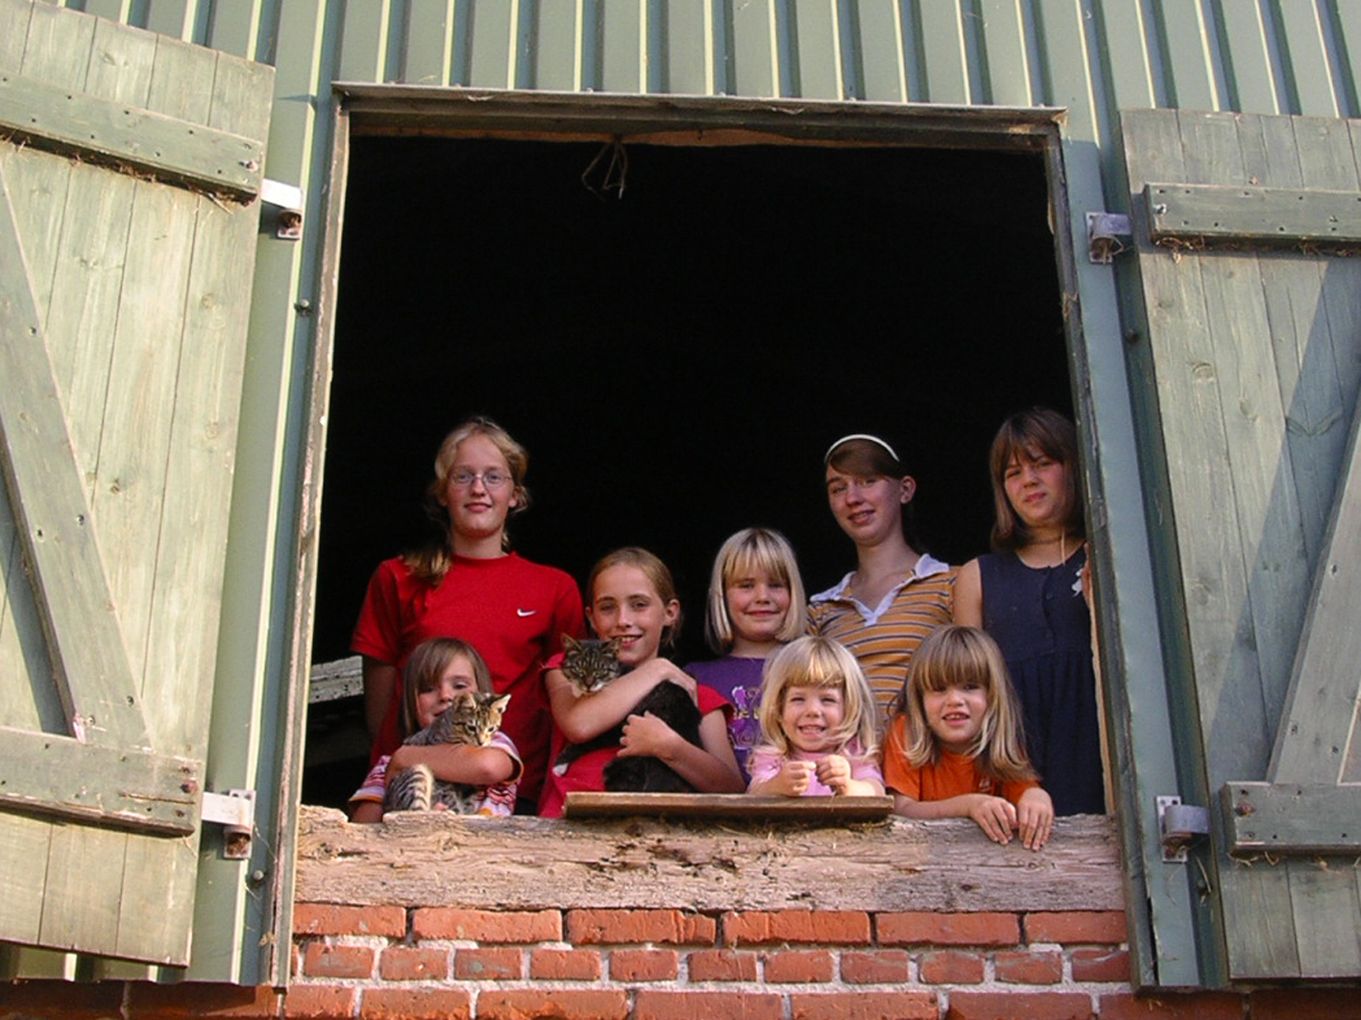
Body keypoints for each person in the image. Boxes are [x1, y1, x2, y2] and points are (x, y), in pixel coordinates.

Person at [351, 417, 584, 813]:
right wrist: (405, 760)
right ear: (443, 492)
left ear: (515, 494)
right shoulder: (398, 577)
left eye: (494, 477)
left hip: (508, 794)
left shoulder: (554, 588)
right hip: (412, 791)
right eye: (463, 477)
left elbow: (571, 702)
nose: (478, 489)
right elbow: (381, 706)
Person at [952, 408, 1104, 816]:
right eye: (1013, 473)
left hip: (1099, 752)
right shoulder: (978, 577)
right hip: (1015, 767)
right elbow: (968, 693)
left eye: (1042, 464)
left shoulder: (1104, 554)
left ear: (1074, 466)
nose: (1029, 481)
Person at [538, 547, 745, 817]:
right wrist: (657, 669)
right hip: (564, 831)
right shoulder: (568, 668)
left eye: (639, 605)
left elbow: (731, 789)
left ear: (670, 612)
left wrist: (670, 747)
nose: (623, 620)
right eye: (607, 607)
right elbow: (579, 724)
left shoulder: (694, 693)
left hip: (658, 840)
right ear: (591, 618)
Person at [808, 433, 956, 732]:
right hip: (847, 773)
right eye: (838, 488)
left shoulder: (952, 583)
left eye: (867, 481)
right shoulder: (820, 608)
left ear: (905, 489)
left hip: (927, 770)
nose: (852, 498)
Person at [884, 624, 1053, 850]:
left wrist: (1037, 797)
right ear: (919, 699)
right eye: (939, 689)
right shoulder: (906, 732)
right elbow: (901, 809)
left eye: (970, 687)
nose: (954, 699)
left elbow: (1023, 788)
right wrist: (969, 805)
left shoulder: (998, 741)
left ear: (993, 697)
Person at [349, 638, 521, 821]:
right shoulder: (388, 763)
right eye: (428, 689)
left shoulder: (495, 744)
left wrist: (406, 758)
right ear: (412, 703)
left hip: (483, 846)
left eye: (460, 686)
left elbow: (487, 767)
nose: (446, 696)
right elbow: (363, 824)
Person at [685, 527, 808, 780]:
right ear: (722, 595)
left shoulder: (813, 668)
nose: (762, 597)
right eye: (746, 586)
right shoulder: (695, 678)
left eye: (775, 585)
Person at [746, 636, 884, 797]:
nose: (812, 710)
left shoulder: (855, 753)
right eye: (798, 699)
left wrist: (848, 786)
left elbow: (877, 792)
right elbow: (754, 793)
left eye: (828, 699)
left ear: (850, 707)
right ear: (778, 708)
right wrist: (777, 785)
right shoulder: (772, 757)